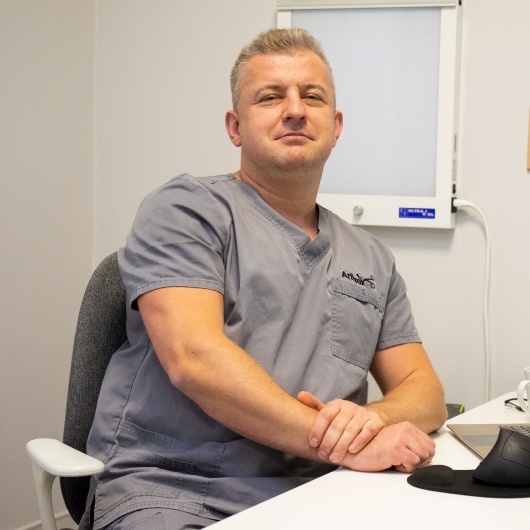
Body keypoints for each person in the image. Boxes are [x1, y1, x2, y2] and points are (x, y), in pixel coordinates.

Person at [80, 28, 447, 530]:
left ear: (336, 126)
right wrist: (341, 443)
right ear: (235, 127)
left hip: (324, 490)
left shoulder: (372, 258)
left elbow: (424, 391)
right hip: (178, 489)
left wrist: (373, 421)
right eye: (270, 97)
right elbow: (194, 360)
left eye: (312, 97)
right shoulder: (185, 211)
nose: (295, 110)